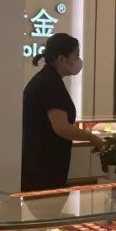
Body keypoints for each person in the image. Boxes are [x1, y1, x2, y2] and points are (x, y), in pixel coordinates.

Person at [22, 33, 102, 192]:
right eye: (76, 55)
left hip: (41, 164)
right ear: (61, 59)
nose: (79, 60)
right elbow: (62, 128)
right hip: (43, 168)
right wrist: (93, 138)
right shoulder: (49, 84)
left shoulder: (47, 79)